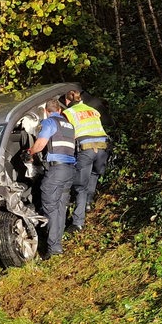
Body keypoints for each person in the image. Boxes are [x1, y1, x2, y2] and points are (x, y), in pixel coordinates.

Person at [27, 97, 77, 257]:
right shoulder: (69, 126)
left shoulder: (49, 123)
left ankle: (54, 248)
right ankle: (57, 243)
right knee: (61, 208)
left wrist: (30, 152)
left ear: (46, 112)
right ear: (60, 110)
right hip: (70, 170)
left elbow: (41, 144)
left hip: (56, 171)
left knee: (50, 208)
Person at [63, 88, 109, 231]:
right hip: (103, 148)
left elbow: (66, 134)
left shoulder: (68, 112)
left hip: (86, 149)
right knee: (94, 174)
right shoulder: (93, 110)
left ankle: (78, 222)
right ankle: (88, 202)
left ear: (67, 101)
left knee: (80, 187)